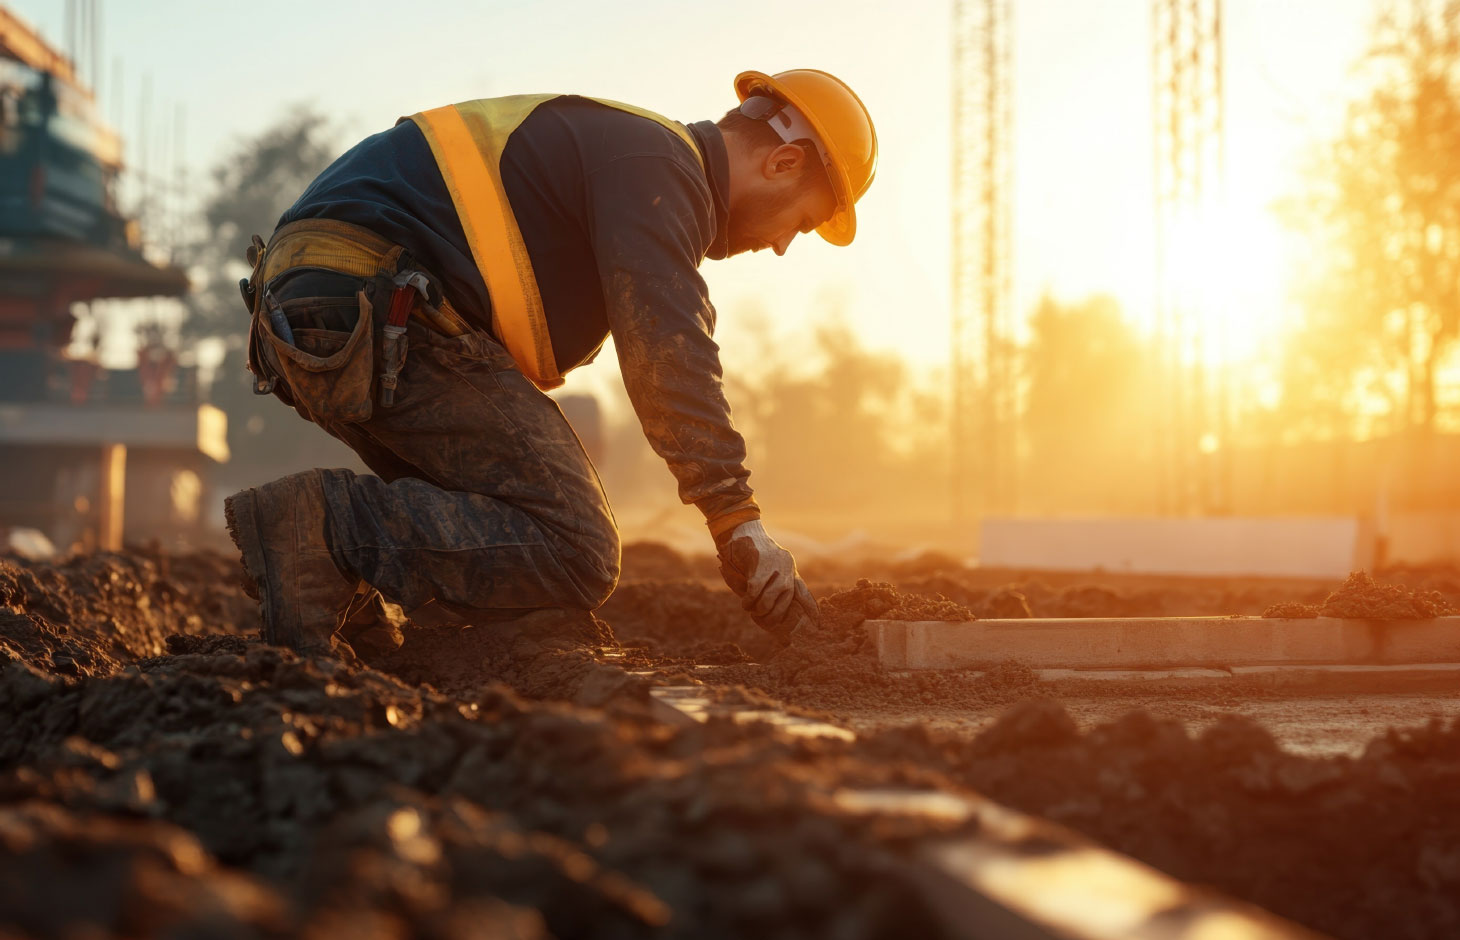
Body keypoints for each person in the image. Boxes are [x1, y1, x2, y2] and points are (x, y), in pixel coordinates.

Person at [225, 69, 878, 658]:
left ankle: (346, 603)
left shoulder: (637, 159)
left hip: (319, 302)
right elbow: (668, 349)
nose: (786, 246)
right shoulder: (660, 167)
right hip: (380, 302)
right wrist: (736, 518)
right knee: (578, 547)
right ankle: (324, 529)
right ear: (784, 162)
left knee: (502, 522)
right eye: (804, 221)